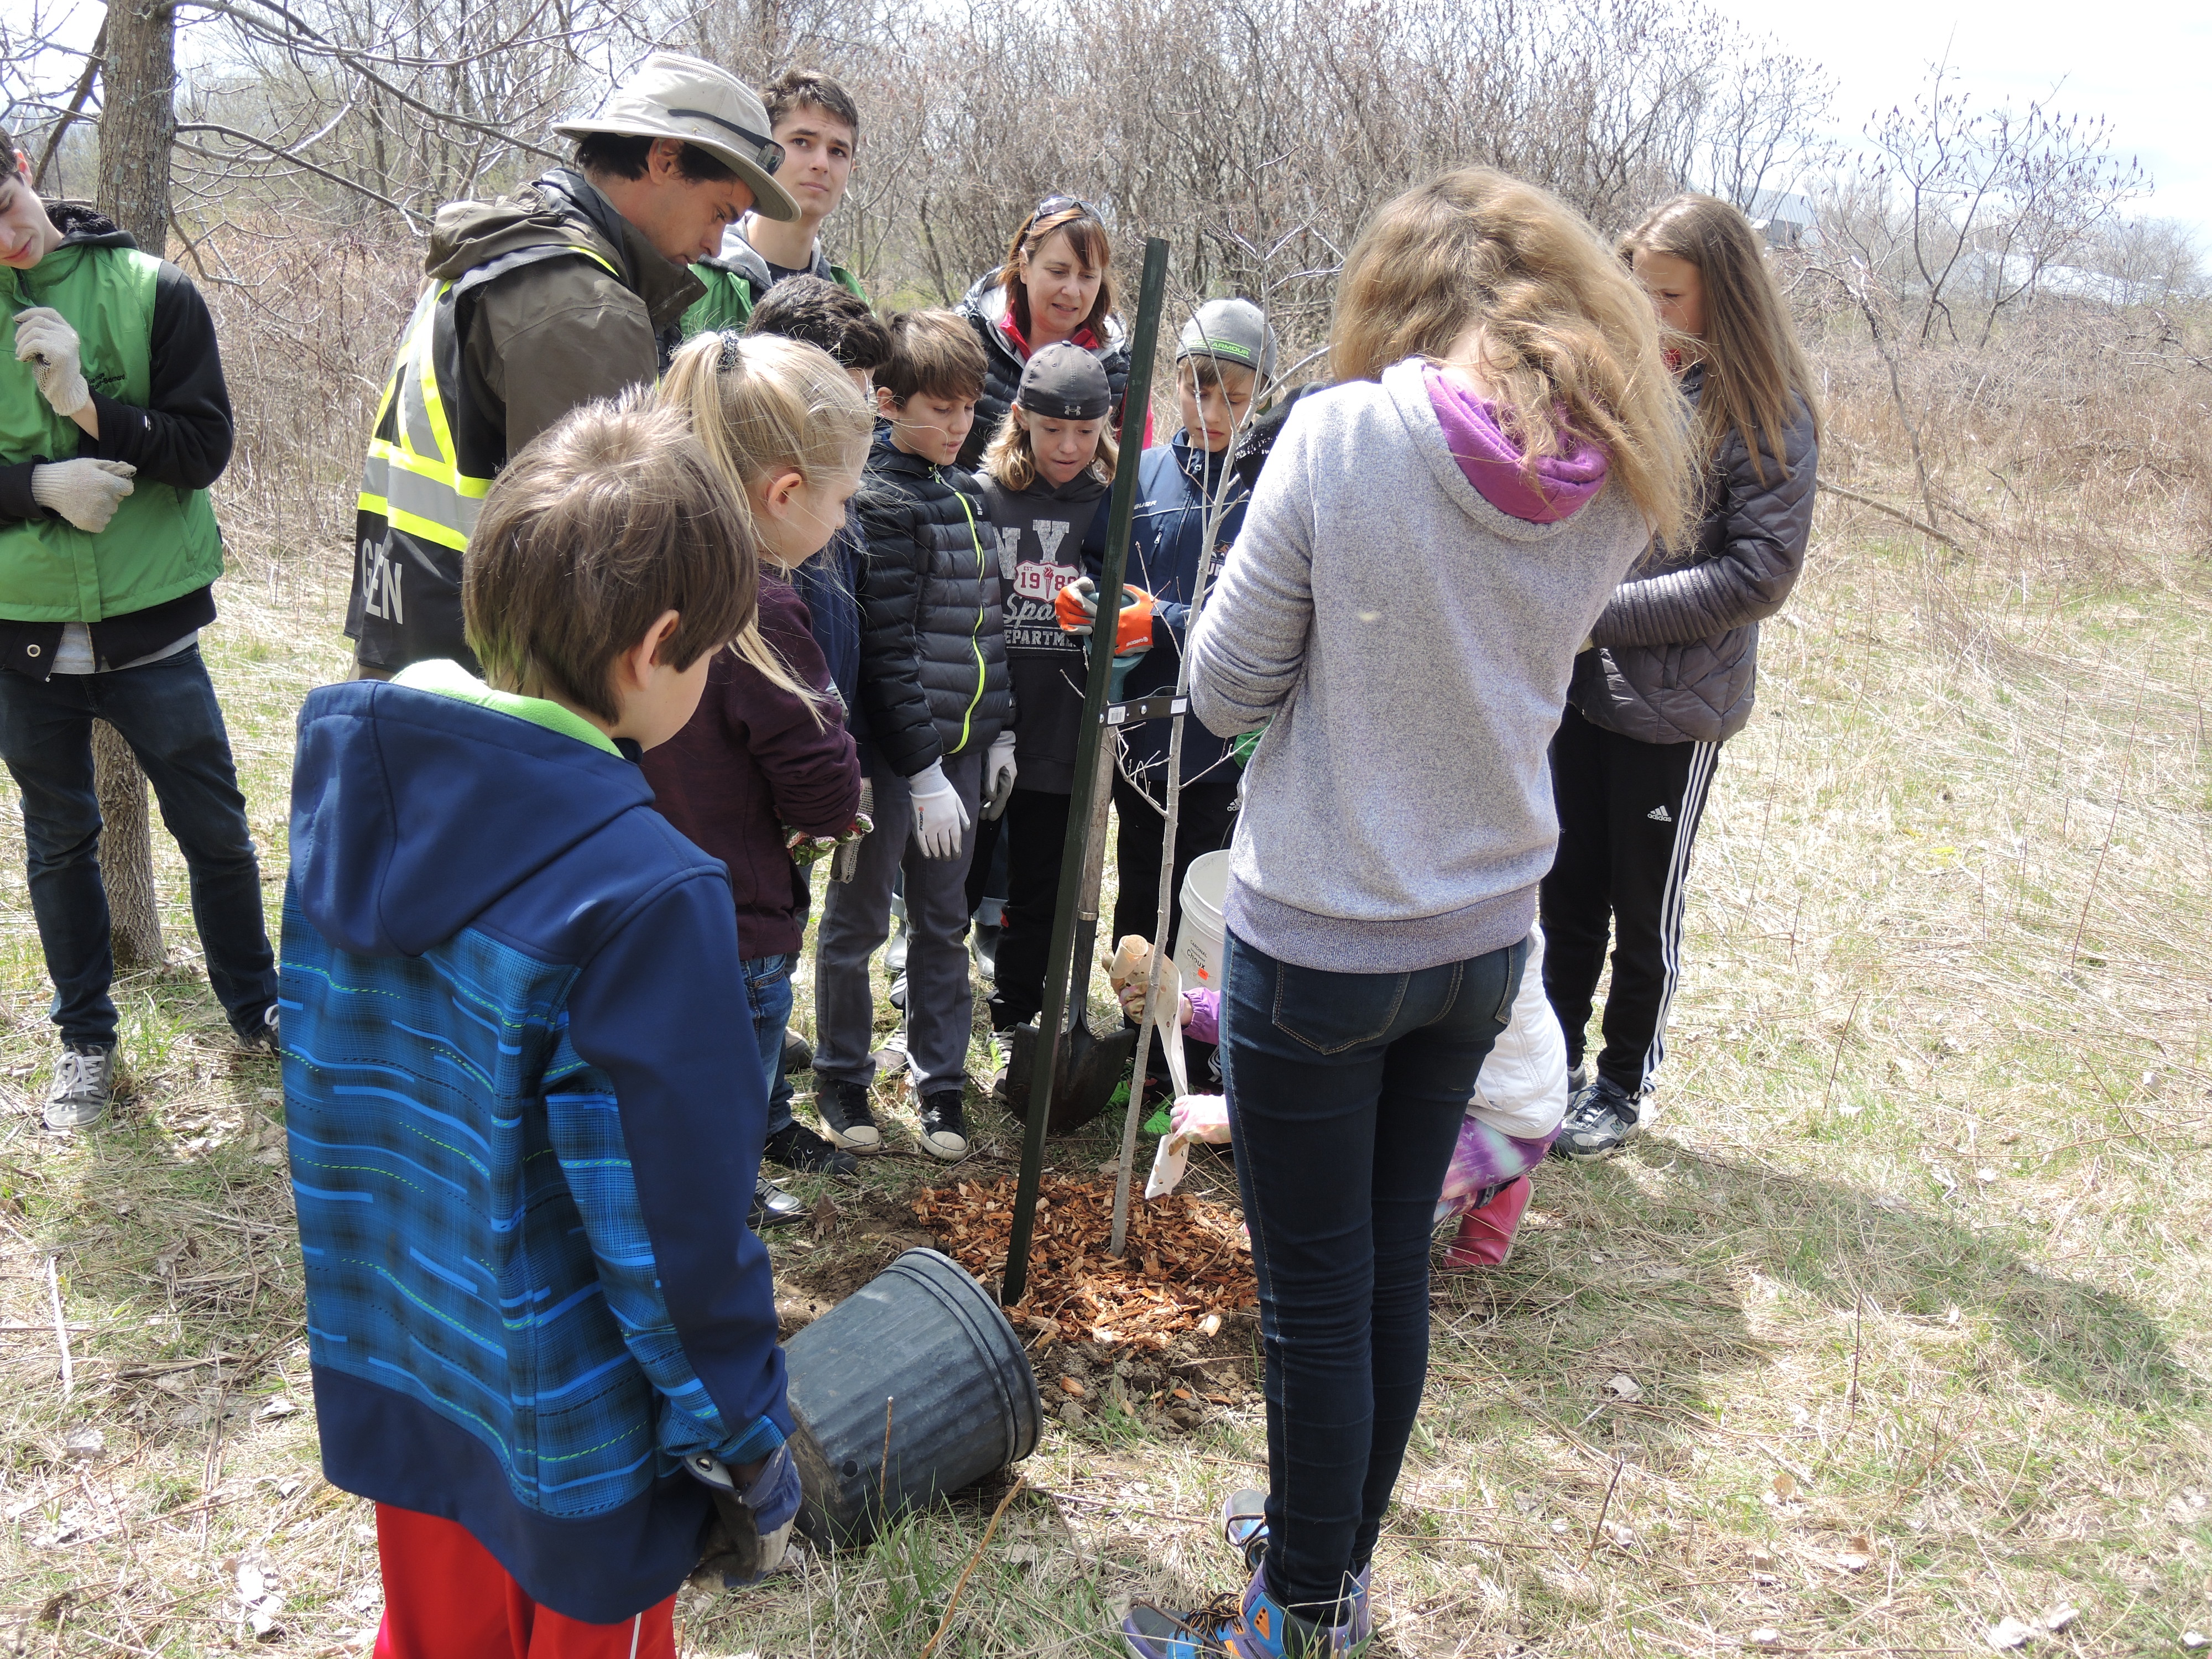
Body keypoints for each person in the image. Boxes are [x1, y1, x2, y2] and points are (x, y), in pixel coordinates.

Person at [1124, 168, 1691, 1658]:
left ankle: (1299, 1618)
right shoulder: (1620, 467)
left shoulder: (1342, 434)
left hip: (1320, 932)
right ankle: (1327, 1558)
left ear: (1400, 301)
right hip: (1485, 939)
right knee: (1380, 1271)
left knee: (1315, 1298)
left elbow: (1222, 687)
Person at [283, 399, 799, 1658]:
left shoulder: (345, 781)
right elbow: (674, 1241)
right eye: (714, 652)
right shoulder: (644, 891)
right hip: (577, 1442)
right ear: (657, 645)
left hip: (410, 1364)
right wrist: (748, 1445)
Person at [346, 51, 797, 677]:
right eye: (721, 212)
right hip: (494, 682)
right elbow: (599, 566)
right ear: (665, 159)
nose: (717, 245)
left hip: (414, 642)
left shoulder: (504, 255)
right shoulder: (583, 307)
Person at [0, 128, 279, 1131]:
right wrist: (35, 486)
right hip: (20, 633)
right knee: (59, 840)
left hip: (152, 624)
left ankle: (259, 1008)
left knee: (215, 829)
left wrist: (88, 409)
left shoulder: (152, 287)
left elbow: (203, 448)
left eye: (3, 209)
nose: (4, 242)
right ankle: (85, 1043)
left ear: (23, 167)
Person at [1542, 193, 1820, 1162]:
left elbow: (1758, 574)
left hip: (1674, 705)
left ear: (1722, 295)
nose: (1647, 309)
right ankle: (1549, 1068)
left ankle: (1622, 1084)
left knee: (1641, 902)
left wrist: (1597, 618)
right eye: (1638, 287)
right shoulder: (1624, 381)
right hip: (1577, 688)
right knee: (1563, 886)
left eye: (1668, 294)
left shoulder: (1766, 405)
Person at [644, 332, 871, 1190]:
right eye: (844, 497)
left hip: (627, 912)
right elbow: (820, 791)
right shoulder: (761, 613)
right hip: (734, 923)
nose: (845, 519)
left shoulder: (629, 567)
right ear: (785, 493)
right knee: (719, 1147)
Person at [811, 311, 1009, 1162]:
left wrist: (996, 734)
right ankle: (841, 1074)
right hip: (895, 758)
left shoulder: (970, 494)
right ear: (887, 402)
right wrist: (919, 769)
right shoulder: (880, 500)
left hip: (962, 751)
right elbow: (886, 647)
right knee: (857, 916)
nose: (959, 426)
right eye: (942, 409)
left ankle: (943, 1086)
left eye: (970, 410)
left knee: (943, 919)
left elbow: (987, 629)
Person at [1118, 922, 1570, 1269]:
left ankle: (1492, 1186)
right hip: (1429, 1087)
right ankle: (1479, 1186)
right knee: (1313, 1213)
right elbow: (1284, 1008)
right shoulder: (1361, 914)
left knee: (1345, 1219)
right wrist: (1188, 1009)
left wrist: (1243, 1118)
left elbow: (1332, 1046)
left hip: (1502, 1120)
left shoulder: (1441, 934)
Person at [1104, 299, 1278, 1091]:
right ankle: (1135, 1042)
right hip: (1138, 732)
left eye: (1234, 398)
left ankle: (1203, 1055)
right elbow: (1106, 582)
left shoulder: (1269, 491)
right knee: (1140, 882)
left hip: (1225, 735)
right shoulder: (1137, 478)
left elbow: (1262, 611)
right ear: (1172, 382)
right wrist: (1095, 609)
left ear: (1262, 395)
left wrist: (1159, 617)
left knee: (1209, 889)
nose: (1211, 413)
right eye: (1195, 390)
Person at [974, 343, 1116, 1034]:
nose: (1067, 446)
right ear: (1020, 417)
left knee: (1039, 890)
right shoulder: (986, 497)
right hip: (985, 727)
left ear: (1106, 426)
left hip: (1063, 736)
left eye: (1085, 432)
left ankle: (1017, 1019)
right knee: (957, 886)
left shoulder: (1116, 504)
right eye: (1051, 428)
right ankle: (932, 1017)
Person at [953, 197, 1137, 470]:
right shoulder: (966, 340)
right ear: (1025, 266)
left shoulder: (1119, 365)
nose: (1072, 291)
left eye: (1087, 276)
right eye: (1058, 272)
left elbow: (1133, 470)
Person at [686, 69, 868, 335]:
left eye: (837, 151)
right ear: (766, 153)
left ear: (851, 169)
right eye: (802, 142)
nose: (821, 164)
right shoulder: (693, 275)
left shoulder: (851, 297)